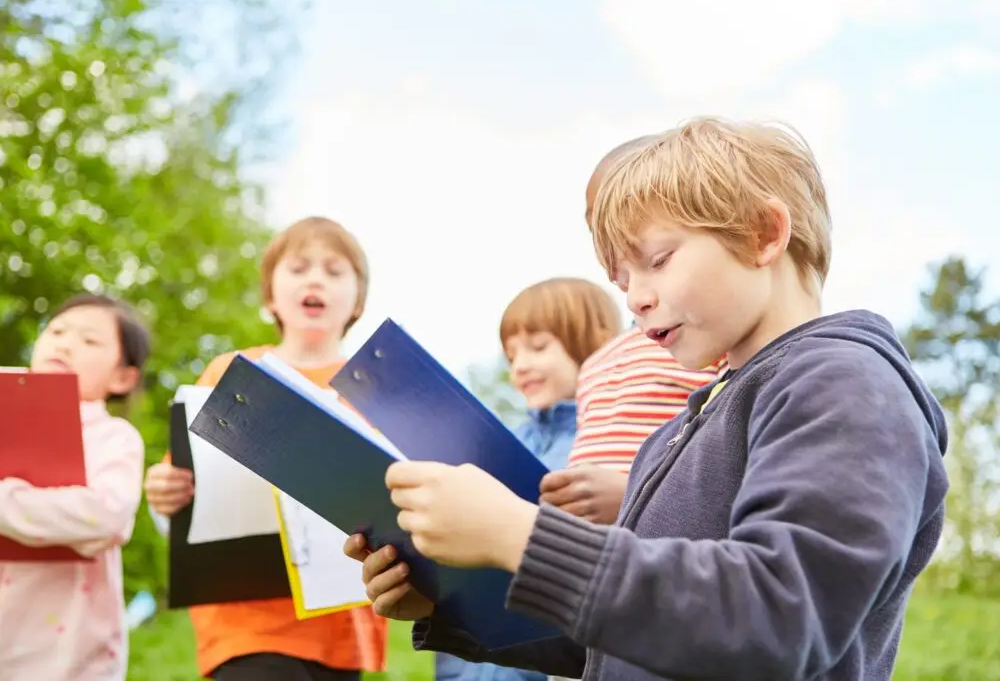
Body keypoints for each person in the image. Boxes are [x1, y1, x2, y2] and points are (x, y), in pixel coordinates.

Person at [345, 117, 950, 681]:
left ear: (764, 234)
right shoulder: (672, 434)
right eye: (622, 280)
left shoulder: (845, 382)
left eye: (657, 260)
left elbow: (778, 615)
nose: (634, 298)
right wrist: (449, 602)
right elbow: (618, 637)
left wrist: (517, 533)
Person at [144, 217, 387, 681]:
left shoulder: (376, 390)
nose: (315, 278)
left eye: (334, 271)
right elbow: (181, 496)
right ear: (271, 295)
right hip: (244, 624)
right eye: (299, 268)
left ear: (357, 300)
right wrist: (165, 495)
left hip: (343, 630)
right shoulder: (229, 373)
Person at [436, 277, 621, 681]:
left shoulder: (606, 443)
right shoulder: (501, 443)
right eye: (511, 353)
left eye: (538, 347)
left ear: (600, 346)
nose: (520, 365)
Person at [539, 137, 725, 527]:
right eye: (596, 221)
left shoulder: (707, 339)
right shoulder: (596, 364)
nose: (611, 228)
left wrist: (631, 495)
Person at [0, 293, 151, 681]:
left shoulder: (114, 439)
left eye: (89, 340)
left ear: (123, 376)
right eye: (56, 331)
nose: (65, 343)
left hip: (66, 663)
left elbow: (105, 517)